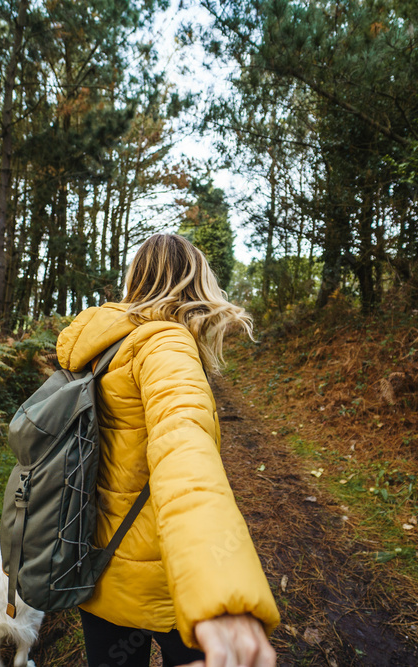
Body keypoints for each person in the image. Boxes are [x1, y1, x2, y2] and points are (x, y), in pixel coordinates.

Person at [56, 233, 280, 667]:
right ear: (194, 281)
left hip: (98, 568)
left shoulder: (99, 345)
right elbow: (184, 451)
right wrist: (219, 589)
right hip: (168, 582)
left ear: (136, 279)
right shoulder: (165, 344)